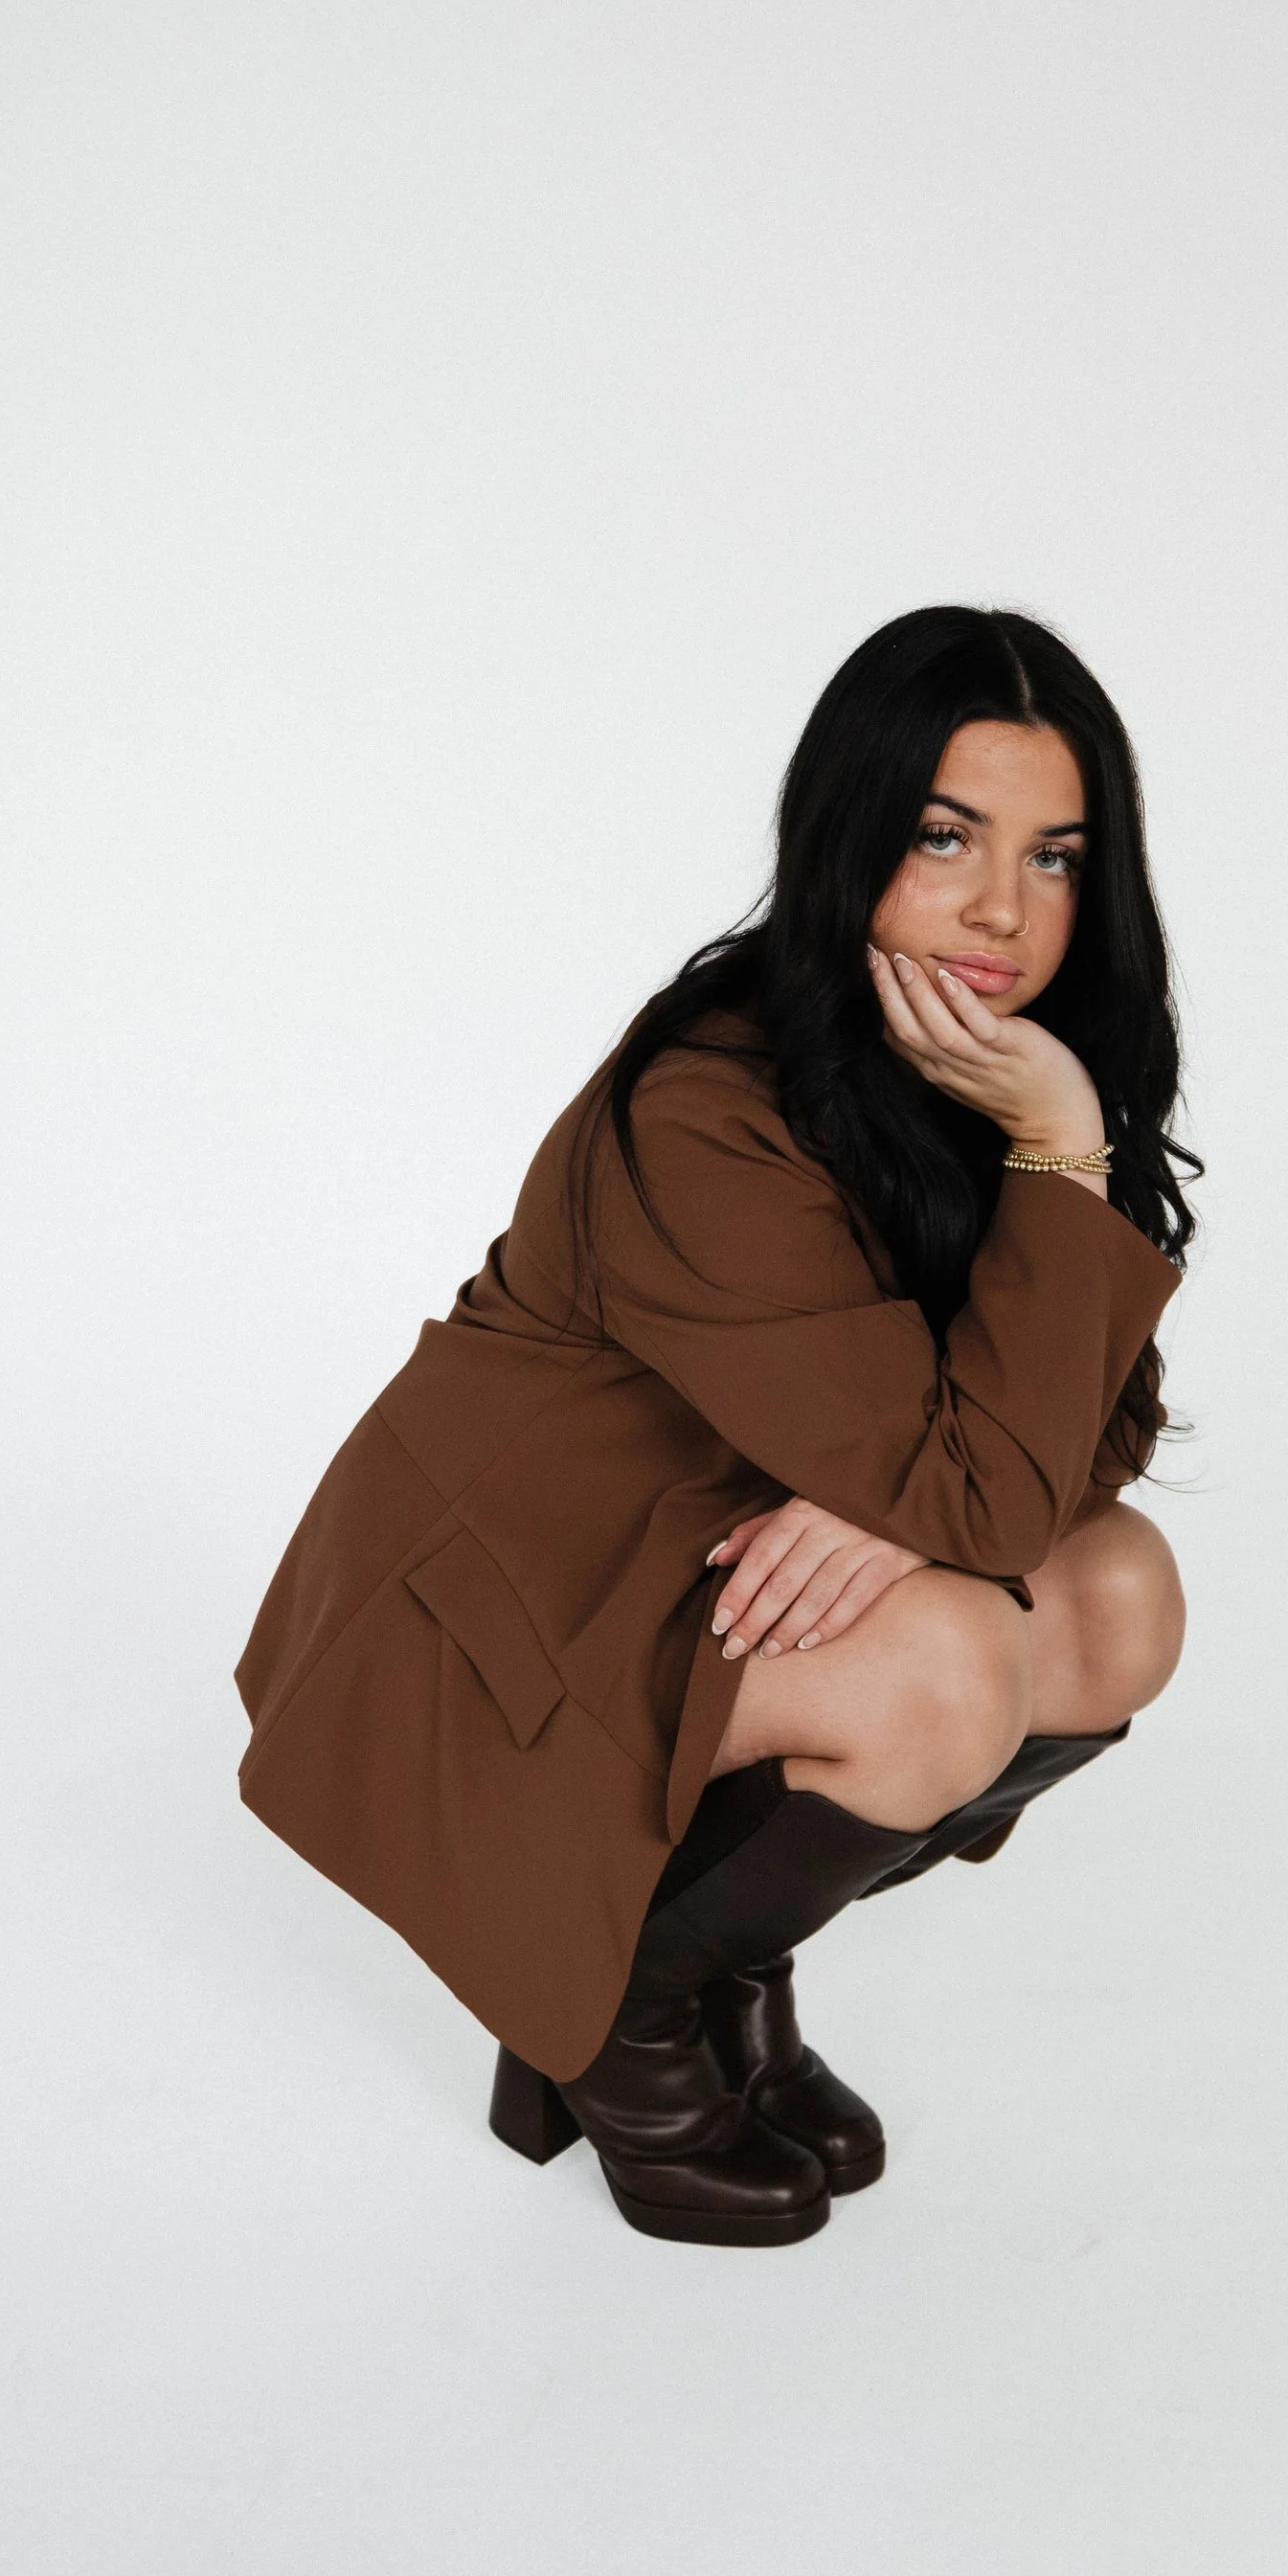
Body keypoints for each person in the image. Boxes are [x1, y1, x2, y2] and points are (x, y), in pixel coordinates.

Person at [235, 604, 1198, 2247]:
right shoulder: (709, 1102)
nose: (1000, 908)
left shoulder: (1004, 1078)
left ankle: (720, 1969)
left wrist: (1059, 1152)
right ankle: (615, 2018)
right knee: (953, 1656)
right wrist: (936, 1500)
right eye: (946, 834)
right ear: (847, 832)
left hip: (721, 1551)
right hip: (525, 1607)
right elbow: (988, 1478)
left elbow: (1098, 1419)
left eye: (1054, 858)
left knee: (1119, 1598)